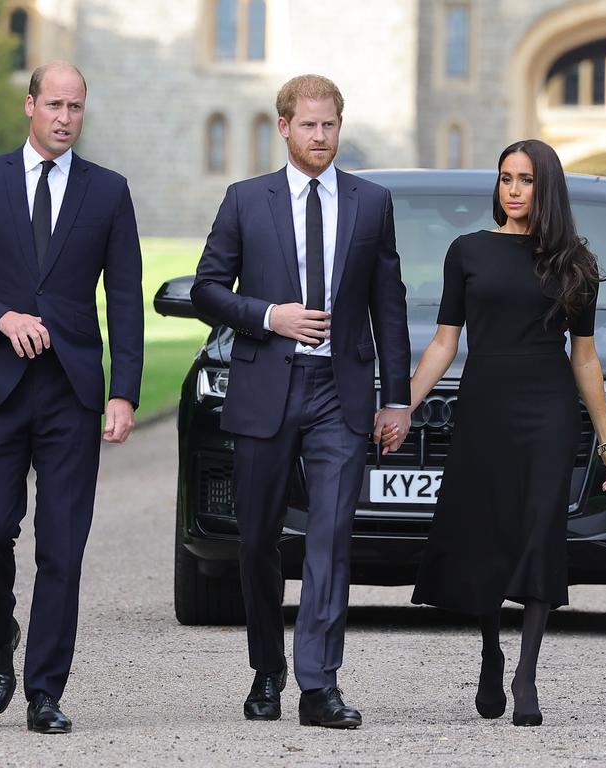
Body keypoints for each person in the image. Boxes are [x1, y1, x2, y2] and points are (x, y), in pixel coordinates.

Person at [0, 61, 143, 734]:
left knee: (63, 548)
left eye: (76, 106)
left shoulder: (108, 192)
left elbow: (126, 301)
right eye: (54, 104)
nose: (65, 117)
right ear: (30, 105)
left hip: (71, 391)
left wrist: (124, 392)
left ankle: (45, 690)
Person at [191, 74, 412, 729]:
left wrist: (395, 399)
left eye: (330, 125)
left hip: (338, 396)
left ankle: (319, 684)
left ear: (339, 127)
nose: (320, 136)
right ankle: (268, 668)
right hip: (265, 389)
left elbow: (389, 307)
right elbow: (207, 289)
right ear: (283, 126)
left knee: (331, 536)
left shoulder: (372, 203)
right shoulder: (244, 201)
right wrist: (268, 316)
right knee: (257, 538)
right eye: (308, 125)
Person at [400, 139, 606, 726]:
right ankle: (490, 651)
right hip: (484, 405)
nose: (513, 189)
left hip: (548, 409)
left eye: (525, 179)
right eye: (506, 178)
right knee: (488, 530)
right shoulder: (468, 251)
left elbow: (585, 358)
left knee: (538, 530)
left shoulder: (575, 261)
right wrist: (401, 406)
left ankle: (527, 672)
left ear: (545, 187)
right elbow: (444, 342)